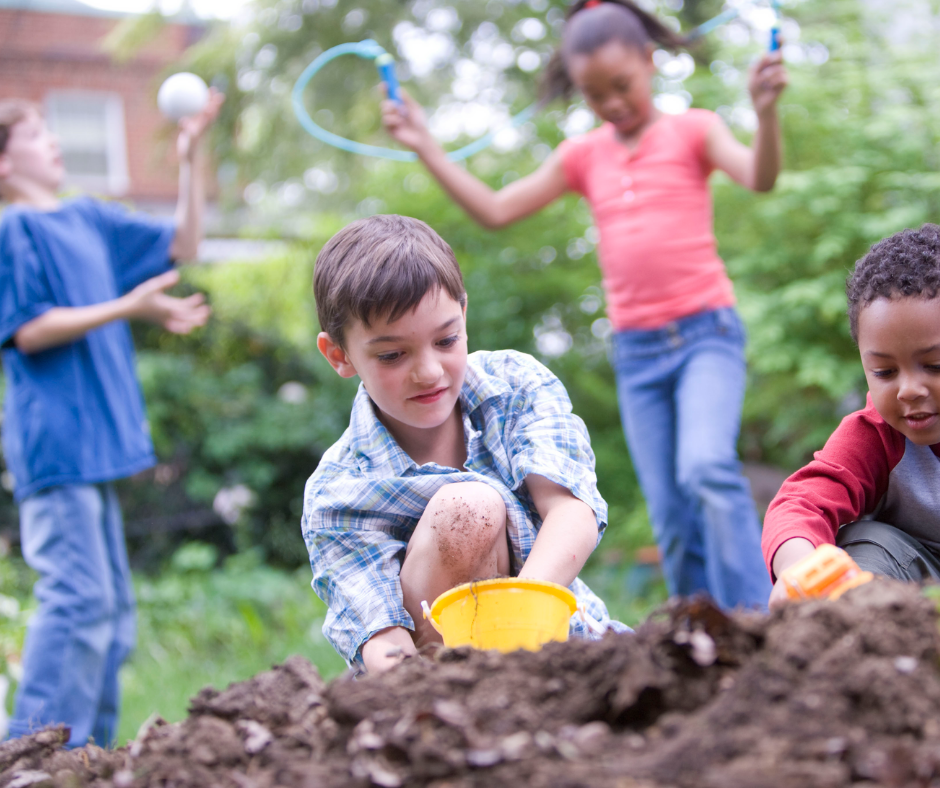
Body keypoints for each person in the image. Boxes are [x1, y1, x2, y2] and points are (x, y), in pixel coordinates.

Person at [381, 0, 788, 609]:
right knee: (670, 509)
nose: (613, 103)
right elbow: (495, 210)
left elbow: (759, 175)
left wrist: (765, 113)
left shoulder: (694, 130)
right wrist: (425, 146)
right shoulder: (584, 155)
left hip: (706, 334)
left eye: (622, 85)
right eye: (595, 94)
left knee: (705, 468)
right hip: (638, 352)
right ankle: (700, 635)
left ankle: (762, 619)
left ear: (650, 62)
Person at [302, 214, 625, 673]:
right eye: (393, 354)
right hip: (436, 681)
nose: (429, 371)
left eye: (446, 339)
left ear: (464, 316)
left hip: (556, 646)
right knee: (469, 509)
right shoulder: (339, 491)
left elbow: (572, 511)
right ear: (340, 355)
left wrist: (520, 616)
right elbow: (380, 637)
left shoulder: (515, 386)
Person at [0, 91, 222, 746]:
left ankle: (85, 760)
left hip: (99, 444)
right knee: (77, 604)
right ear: (5, 165)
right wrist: (126, 307)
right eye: (36, 135)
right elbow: (31, 329)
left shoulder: (88, 218)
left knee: (113, 615)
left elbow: (183, 243)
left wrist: (189, 158)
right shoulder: (14, 230)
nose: (53, 142)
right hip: (57, 446)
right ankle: (28, 757)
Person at [765, 224, 940, 608]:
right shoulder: (877, 434)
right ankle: (863, 638)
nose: (909, 389)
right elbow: (801, 503)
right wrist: (799, 571)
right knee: (864, 541)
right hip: (914, 598)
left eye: (935, 364)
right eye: (884, 372)